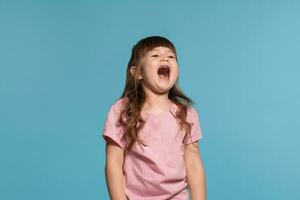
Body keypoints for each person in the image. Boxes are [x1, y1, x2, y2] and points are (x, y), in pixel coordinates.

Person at [102, 36, 206, 200]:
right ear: (137, 72)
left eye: (171, 56)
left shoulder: (187, 115)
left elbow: (193, 164)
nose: (165, 58)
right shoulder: (122, 111)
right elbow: (114, 164)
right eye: (155, 55)